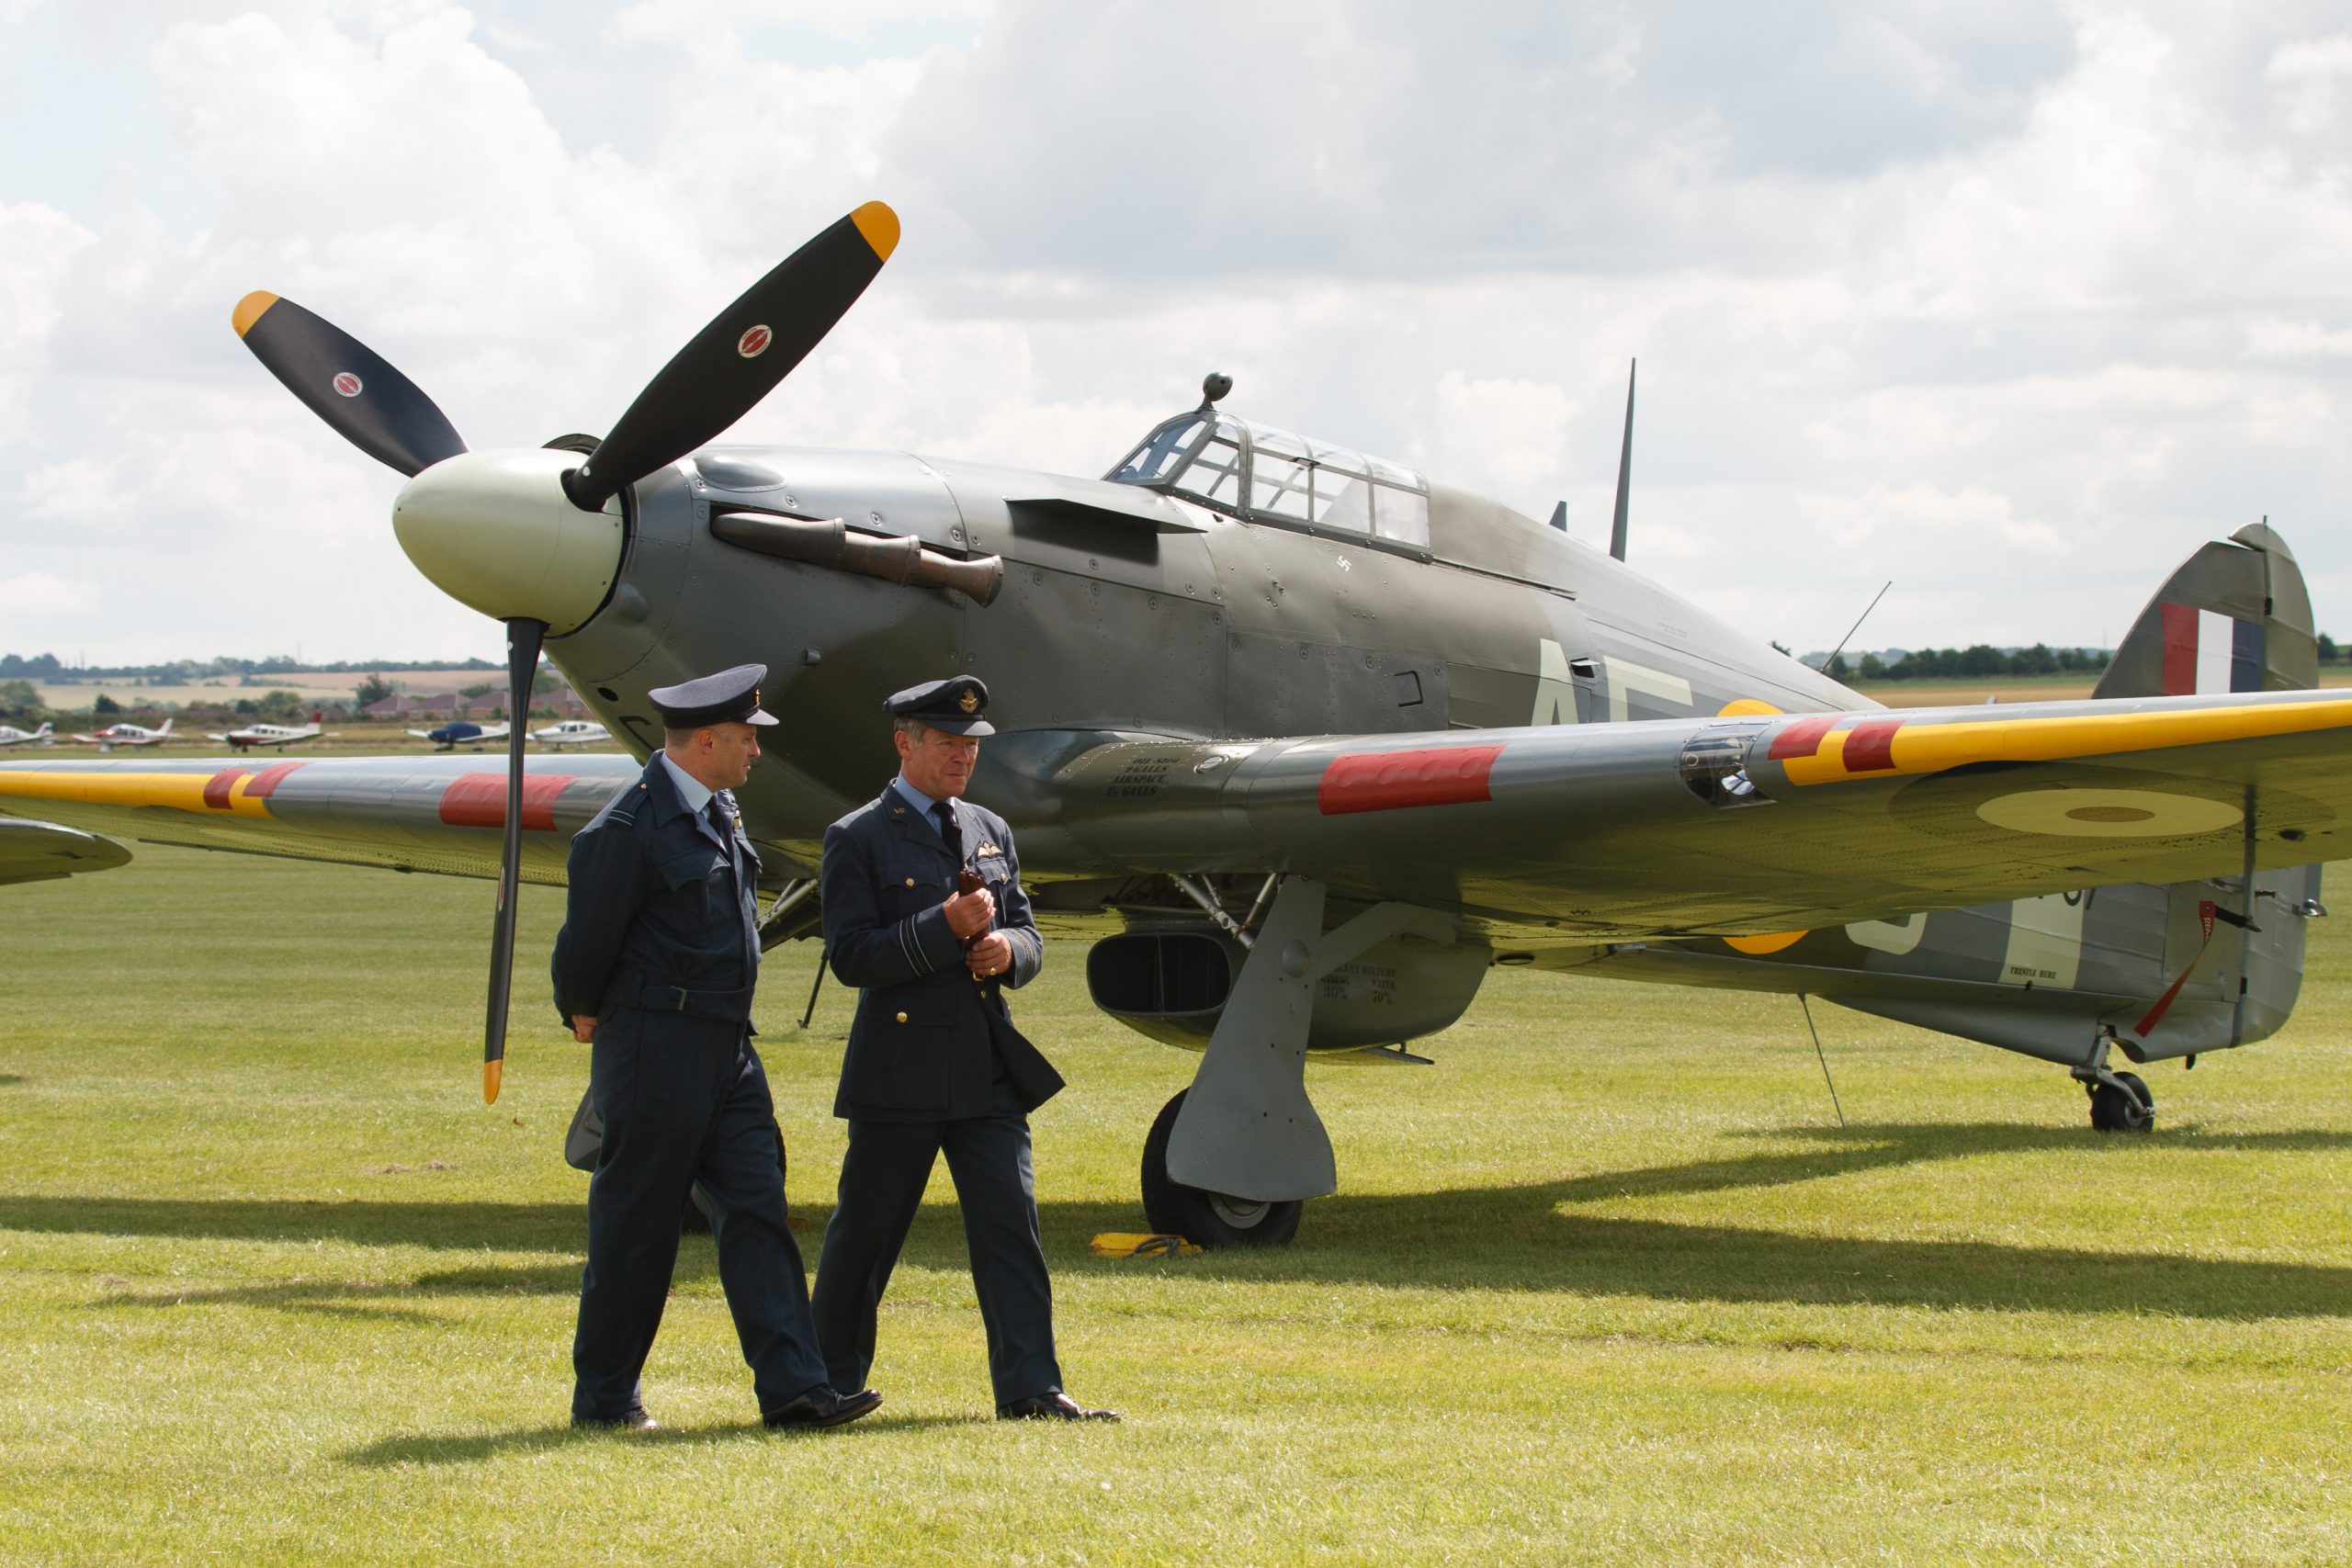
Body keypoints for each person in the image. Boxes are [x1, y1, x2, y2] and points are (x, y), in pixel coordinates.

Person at [550, 662, 880, 1433]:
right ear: (705, 740)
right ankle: (605, 1400)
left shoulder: (721, 811)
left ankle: (797, 1391)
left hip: (728, 1049)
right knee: (638, 1228)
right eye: (744, 738)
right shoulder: (627, 828)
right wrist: (585, 1009)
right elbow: (584, 944)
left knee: (758, 1214)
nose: (755, 752)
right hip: (655, 1048)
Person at [811, 676, 1117, 1422]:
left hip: (985, 1066)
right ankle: (822, 1382)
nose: (962, 757)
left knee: (1011, 1225)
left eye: (970, 745)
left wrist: (1007, 951)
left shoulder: (990, 827)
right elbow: (850, 955)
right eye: (947, 743)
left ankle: (1032, 1387)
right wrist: (940, 930)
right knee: (866, 1236)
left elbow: (1029, 932)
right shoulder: (857, 835)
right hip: (901, 1065)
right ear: (904, 742)